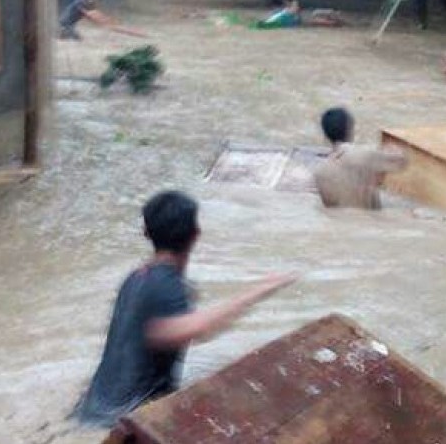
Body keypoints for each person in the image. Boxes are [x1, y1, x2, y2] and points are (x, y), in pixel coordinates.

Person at [74, 191, 296, 427]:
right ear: (196, 235)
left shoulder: (135, 279)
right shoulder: (168, 286)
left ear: (146, 233)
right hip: (124, 422)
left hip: (89, 411)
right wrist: (261, 290)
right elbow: (197, 329)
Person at [314, 108, 407, 210]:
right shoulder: (364, 155)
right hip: (371, 221)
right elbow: (401, 162)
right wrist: (393, 148)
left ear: (325, 134)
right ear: (349, 129)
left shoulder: (320, 172)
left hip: (339, 223)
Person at [59, 0, 147, 41]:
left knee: (73, 37)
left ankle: (63, 34)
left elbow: (96, 13)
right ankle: (62, 33)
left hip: (72, 23)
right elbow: (88, 14)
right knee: (77, 39)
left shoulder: (91, 4)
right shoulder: (79, 2)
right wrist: (102, 22)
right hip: (65, 23)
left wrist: (107, 20)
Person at [254, 0, 346, 30]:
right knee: (315, 19)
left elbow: (273, 20)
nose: (296, 7)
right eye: (294, 6)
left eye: (296, 6)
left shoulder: (283, 13)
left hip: (297, 19)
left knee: (316, 14)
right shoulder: (282, 15)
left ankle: (334, 16)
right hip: (298, 21)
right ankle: (334, 21)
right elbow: (273, 21)